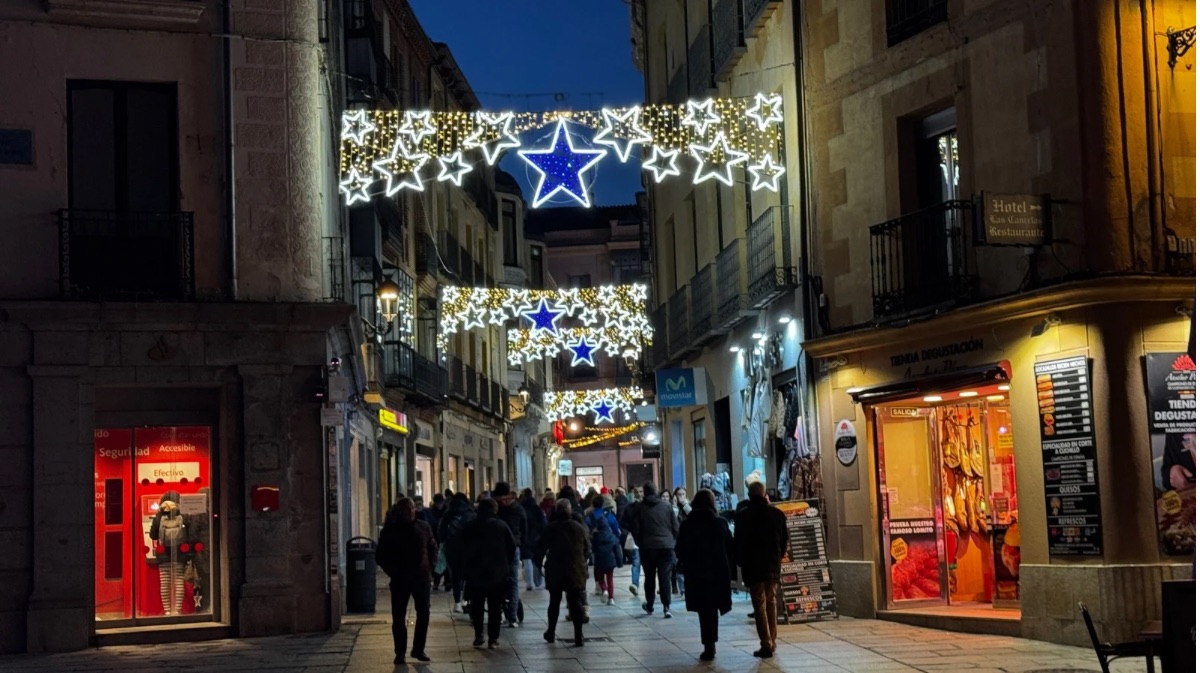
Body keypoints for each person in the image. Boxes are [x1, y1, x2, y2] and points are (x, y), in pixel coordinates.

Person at [375, 497, 437, 665]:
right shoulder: (391, 531)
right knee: (399, 616)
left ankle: (418, 649)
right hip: (401, 578)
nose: (411, 512)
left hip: (421, 577)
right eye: (407, 509)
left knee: (423, 613)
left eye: (412, 509)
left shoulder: (423, 527)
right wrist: (393, 572)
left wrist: (430, 567)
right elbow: (381, 555)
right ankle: (400, 652)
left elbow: (432, 547)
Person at [675, 489, 735, 661]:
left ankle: (709, 644)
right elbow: (730, 547)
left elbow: (679, 549)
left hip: (696, 573)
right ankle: (711, 642)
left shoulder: (687, 525)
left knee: (704, 610)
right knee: (713, 608)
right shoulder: (720, 523)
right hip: (717, 573)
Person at [734, 481, 788, 659]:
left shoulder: (742, 516)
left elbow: (739, 543)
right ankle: (772, 640)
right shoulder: (778, 515)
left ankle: (766, 643)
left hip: (754, 566)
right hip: (772, 565)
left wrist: (740, 561)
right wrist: (778, 557)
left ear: (749, 495)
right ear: (765, 494)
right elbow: (783, 542)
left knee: (759, 604)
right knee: (771, 601)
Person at [461, 498, 516, 649]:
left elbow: (462, 548)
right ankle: (493, 638)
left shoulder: (470, 526)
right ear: (494, 509)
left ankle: (479, 635)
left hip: (476, 572)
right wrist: (505, 565)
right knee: (495, 606)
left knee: (477, 605)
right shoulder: (501, 525)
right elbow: (512, 547)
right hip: (497, 573)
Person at [538, 499, 590, 646]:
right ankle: (578, 636)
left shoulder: (551, 528)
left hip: (555, 569)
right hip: (575, 570)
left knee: (554, 602)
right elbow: (587, 548)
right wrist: (582, 561)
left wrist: (538, 563)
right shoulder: (578, 527)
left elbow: (541, 547)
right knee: (575, 602)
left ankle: (551, 632)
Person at [626, 481, 679, 617]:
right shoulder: (667, 506)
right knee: (665, 577)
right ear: (656, 491)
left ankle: (650, 606)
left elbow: (635, 528)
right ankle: (666, 607)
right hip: (666, 547)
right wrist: (671, 542)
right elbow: (675, 527)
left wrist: (640, 542)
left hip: (648, 547)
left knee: (649, 577)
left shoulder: (640, 508)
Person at [491, 481, 527, 627]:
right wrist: (520, 543)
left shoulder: (495, 508)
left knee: (496, 580)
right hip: (514, 547)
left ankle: (498, 613)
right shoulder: (518, 507)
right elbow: (524, 529)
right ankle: (512, 617)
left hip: (497, 548)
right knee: (513, 582)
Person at [149, 490, 189, 616]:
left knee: (165, 583)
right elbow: (188, 533)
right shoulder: (183, 513)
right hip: (180, 552)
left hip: (164, 553)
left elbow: (152, 535)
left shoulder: (159, 515)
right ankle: (177, 610)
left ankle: (167, 610)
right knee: (178, 581)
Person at [438, 492, 476, 612]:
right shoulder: (470, 513)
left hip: (452, 547)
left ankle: (457, 602)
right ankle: (467, 600)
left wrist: (445, 541)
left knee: (455, 575)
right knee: (468, 575)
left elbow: (441, 531)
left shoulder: (448, 514)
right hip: (468, 547)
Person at [586, 494, 623, 605]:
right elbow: (616, 530)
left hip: (597, 548)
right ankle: (611, 598)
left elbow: (586, 530)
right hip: (610, 550)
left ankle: (602, 588)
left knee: (599, 573)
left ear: (593, 504)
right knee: (610, 578)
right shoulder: (608, 515)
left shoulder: (590, 517)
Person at [519, 487, 547, 590]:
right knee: (536, 560)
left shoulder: (520, 508)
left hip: (525, 537)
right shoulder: (537, 508)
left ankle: (529, 583)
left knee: (527, 560)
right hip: (536, 537)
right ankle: (537, 580)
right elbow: (543, 523)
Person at [425, 493, 449, 590]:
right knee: (437, 561)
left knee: (444, 561)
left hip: (443, 539)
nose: (439, 505)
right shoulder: (431, 512)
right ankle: (437, 580)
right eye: (438, 503)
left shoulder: (446, 512)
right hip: (435, 539)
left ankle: (447, 581)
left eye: (441, 503)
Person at [671, 487, 691, 596]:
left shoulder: (688, 506)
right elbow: (673, 521)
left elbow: (693, 515)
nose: (681, 497)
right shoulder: (673, 507)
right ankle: (682, 588)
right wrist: (675, 506)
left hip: (688, 539)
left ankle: (687, 587)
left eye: (683, 494)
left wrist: (685, 505)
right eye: (679, 494)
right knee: (677, 564)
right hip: (676, 539)